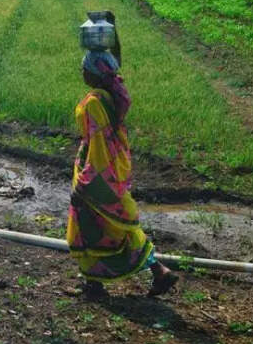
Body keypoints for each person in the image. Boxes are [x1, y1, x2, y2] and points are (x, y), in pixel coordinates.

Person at [66, 31, 178, 299]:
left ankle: (94, 286)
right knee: (119, 224)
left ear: (94, 73)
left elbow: (99, 142)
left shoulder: (94, 102)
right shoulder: (113, 95)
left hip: (97, 170)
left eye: (85, 68)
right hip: (115, 167)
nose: (82, 73)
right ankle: (158, 270)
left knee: (87, 224)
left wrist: (87, 181)